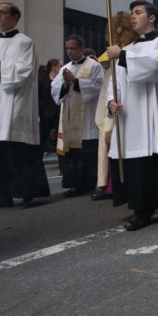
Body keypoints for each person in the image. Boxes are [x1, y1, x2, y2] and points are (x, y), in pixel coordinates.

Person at [105, 0, 158, 231]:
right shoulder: (126, 49)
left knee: (148, 162)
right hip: (130, 115)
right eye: (131, 13)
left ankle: (144, 209)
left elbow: (157, 68)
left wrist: (122, 57)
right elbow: (115, 81)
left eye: (138, 12)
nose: (133, 17)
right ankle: (137, 204)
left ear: (152, 18)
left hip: (152, 114)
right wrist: (111, 101)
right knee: (133, 162)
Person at [0, 2, 51, 211]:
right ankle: (0, 195)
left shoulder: (25, 43)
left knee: (16, 151)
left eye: (3, 13)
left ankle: (25, 192)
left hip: (16, 103)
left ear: (15, 17)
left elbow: (25, 73)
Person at [91, 12, 137, 200]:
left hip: (129, 111)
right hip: (112, 109)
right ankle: (104, 183)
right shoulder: (111, 66)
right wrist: (109, 104)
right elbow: (108, 89)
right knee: (106, 144)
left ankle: (122, 184)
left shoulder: (133, 55)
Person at [51, 34, 104, 197]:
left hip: (87, 116)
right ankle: (75, 185)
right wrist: (66, 84)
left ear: (81, 48)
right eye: (68, 48)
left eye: (73, 48)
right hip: (69, 116)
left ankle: (92, 183)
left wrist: (76, 82)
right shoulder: (64, 68)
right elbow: (54, 89)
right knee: (73, 155)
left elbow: (99, 87)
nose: (70, 52)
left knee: (88, 154)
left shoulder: (94, 66)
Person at [38, 58, 61, 153]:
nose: (61, 67)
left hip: (58, 110)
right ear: (53, 67)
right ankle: (40, 153)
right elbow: (39, 95)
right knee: (43, 135)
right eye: (59, 66)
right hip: (46, 111)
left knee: (60, 135)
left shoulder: (61, 78)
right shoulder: (43, 78)